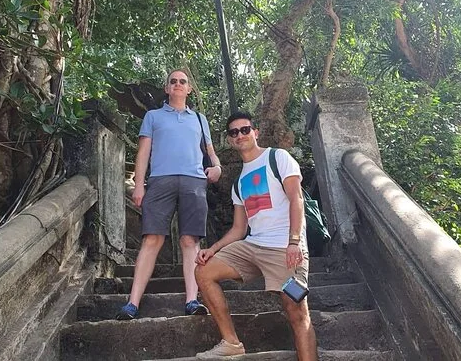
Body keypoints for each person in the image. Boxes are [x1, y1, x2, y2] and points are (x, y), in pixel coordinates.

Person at [194, 111, 318, 360]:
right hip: (253, 245)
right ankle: (231, 342)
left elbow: (297, 199)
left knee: (296, 312)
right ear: (230, 139)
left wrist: (294, 241)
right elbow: (239, 229)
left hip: (284, 246)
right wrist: (213, 249)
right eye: (234, 132)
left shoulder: (277, 157)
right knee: (204, 271)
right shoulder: (239, 182)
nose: (240, 135)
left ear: (255, 132)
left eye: (245, 129)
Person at [116, 69, 223, 320]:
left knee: (190, 241)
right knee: (152, 239)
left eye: (182, 81)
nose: (177, 84)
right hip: (160, 181)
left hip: (194, 181)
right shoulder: (153, 116)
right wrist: (139, 184)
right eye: (173, 81)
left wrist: (217, 167)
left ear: (189, 89)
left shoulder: (199, 119)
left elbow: (210, 151)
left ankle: (192, 300)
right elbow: (143, 152)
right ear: (167, 88)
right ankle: (132, 303)